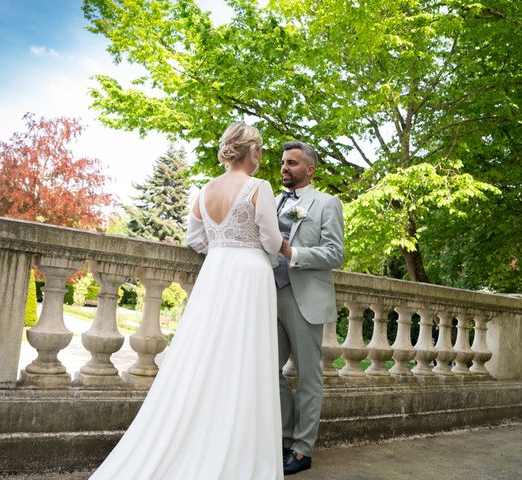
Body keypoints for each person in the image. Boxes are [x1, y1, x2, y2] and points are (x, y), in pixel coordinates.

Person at [90, 123, 284, 479]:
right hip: (251, 274)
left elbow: (195, 239)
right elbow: (271, 242)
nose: (261, 157)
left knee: (204, 353)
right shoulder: (259, 188)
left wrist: (222, 249)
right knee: (245, 356)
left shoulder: (205, 190)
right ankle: (236, 450)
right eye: (260, 150)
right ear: (252, 151)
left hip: (216, 271)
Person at [274, 141, 345, 475]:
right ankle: (285, 438)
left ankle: (302, 450)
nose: (285, 168)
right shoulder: (271, 202)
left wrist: (294, 254)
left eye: (293, 163)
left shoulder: (327, 203)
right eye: (283, 162)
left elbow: (335, 253)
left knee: (307, 376)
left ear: (310, 169)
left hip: (304, 298)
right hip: (268, 295)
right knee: (267, 369)